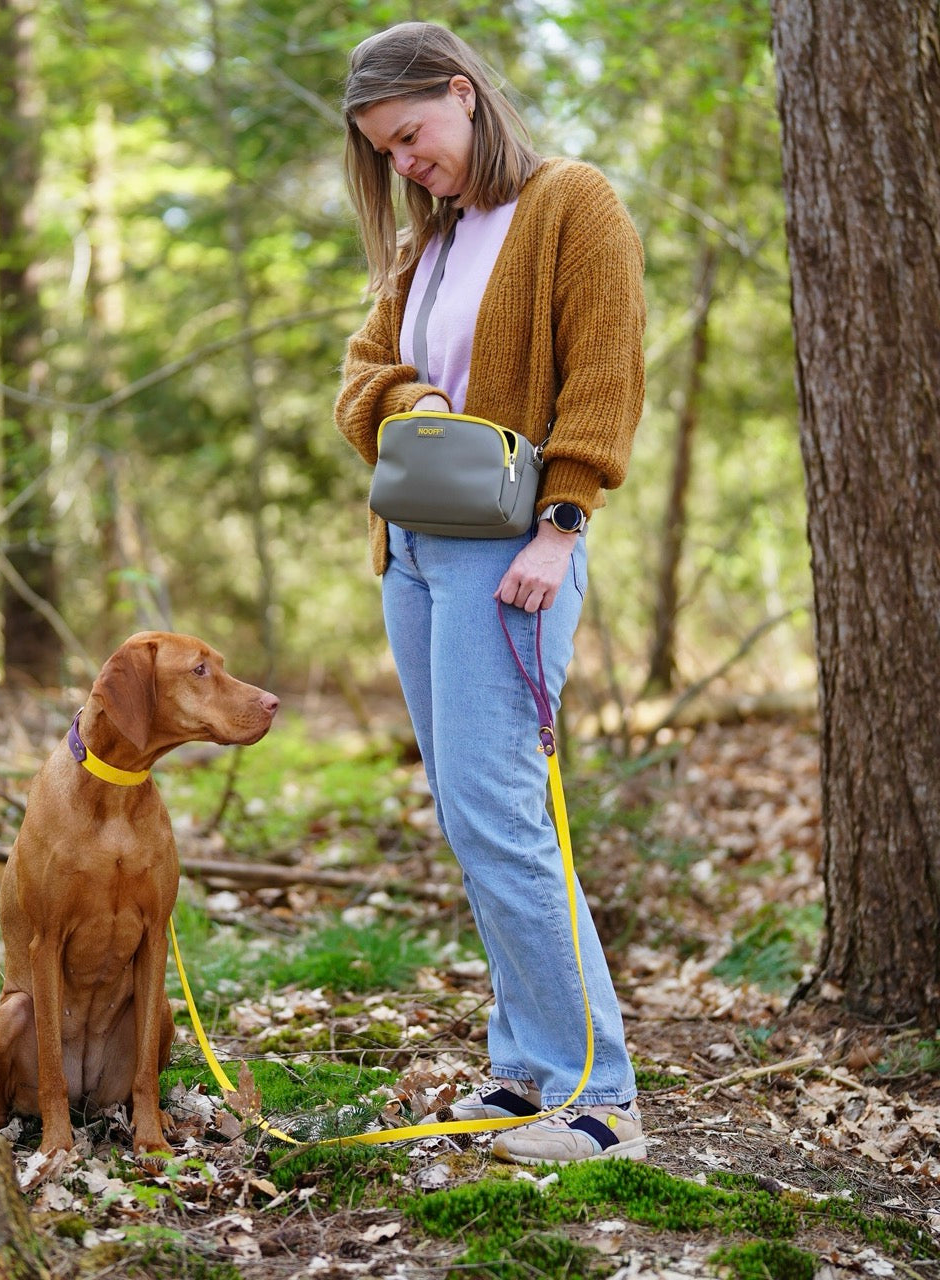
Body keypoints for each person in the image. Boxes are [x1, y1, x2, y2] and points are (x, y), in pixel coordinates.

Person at [334, 21, 647, 1164]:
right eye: (384, 153)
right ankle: (522, 1072)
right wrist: (406, 396)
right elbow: (357, 375)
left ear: (462, 96)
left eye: (410, 136)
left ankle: (597, 1098)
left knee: (505, 814)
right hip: (411, 555)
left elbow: (604, 374)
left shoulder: (571, 203)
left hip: (511, 552)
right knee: (469, 817)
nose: (403, 164)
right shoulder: (429, 243)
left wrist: (561, 525)